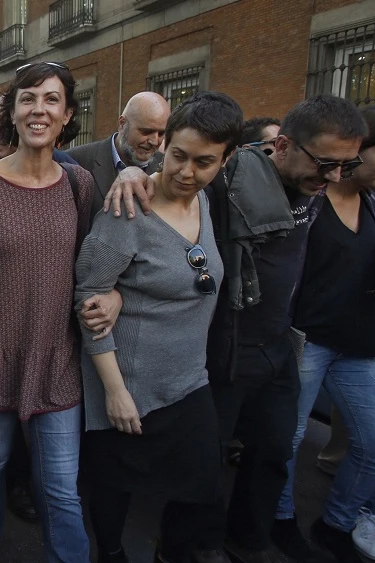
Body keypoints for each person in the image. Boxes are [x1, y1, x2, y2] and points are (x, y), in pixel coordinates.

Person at [108, 95, 368, 563]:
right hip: (223, 347)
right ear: (283, 145)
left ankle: (251, 537)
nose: (332, 176)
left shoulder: (321, 193)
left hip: (279, 345)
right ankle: (187, 547)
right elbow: (180, 184)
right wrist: (133, 171)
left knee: (275, 447)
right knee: (202, 464)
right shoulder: (228, 182)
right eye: (325, 163)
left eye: (344, 167)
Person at [77, 90, 241, 563]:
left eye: (205, 162)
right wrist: (114, 390)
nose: (187, 172)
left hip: (188, 379)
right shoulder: (128, 208)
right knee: (114, 491)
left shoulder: (207, 200)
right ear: (165, 144)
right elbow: (87, 297)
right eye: (179, 156)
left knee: (202, 485)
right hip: (128, 385)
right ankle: (110, 555)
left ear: (226, 159)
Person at [0, 61, 93, 563]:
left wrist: (109, 297)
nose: (39, 109)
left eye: (51, 99)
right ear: (11, 110)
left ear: (67, 114)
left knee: (61, 487)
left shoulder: (80, 185)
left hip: (57, 356)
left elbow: (94, 270)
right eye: (28, 98)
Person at [275, 105, 375, 563]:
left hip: (359, 345)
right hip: (307, 342)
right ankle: (279, 521)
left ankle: (338, 521)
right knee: (288, 441)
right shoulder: (308, 197)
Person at [67, 91, 170, 215]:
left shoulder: (166, 168)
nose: (154, 141)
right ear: (122, 124)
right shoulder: (76, 161)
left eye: (161, 133)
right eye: (146, 131)